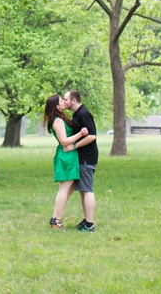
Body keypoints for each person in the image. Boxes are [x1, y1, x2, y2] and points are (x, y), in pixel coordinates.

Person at [43, 94, 88, 230]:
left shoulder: (60, 119)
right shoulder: (58, 121)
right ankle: (56, 220)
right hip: (66, 154)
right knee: (64, 189)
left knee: (69, 188)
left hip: (69, 154)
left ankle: (56, 219)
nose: (64, 102)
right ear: (57, 106)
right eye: (61, 101)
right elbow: (63, 141)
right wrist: (80, 134)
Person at [64, 90, 98, 232]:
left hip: (86, 157)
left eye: (65, 99)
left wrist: (74, 146)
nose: (64, 101)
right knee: (83, 191)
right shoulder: (77, 114)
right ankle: (85, 221)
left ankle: (89, 224)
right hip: (82, 157)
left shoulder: (84, 114)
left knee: (87, 190)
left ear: (73, 100)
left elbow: (92, 136)